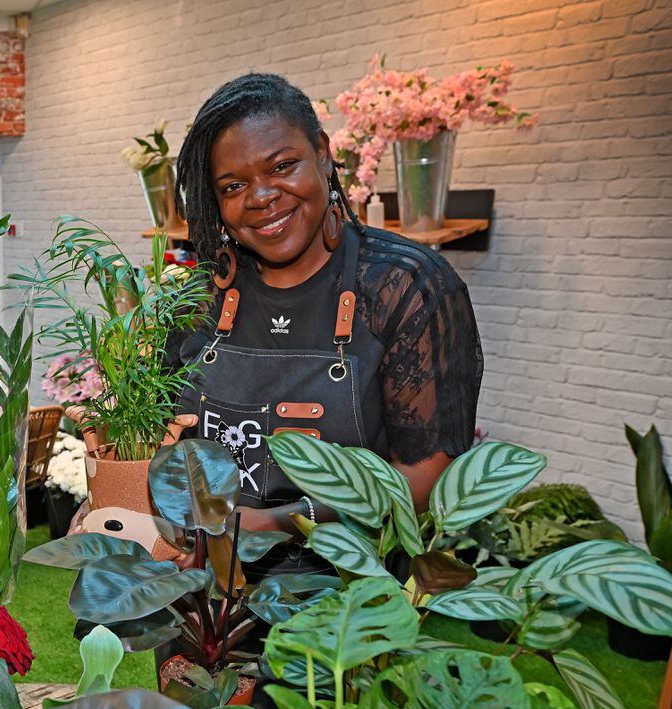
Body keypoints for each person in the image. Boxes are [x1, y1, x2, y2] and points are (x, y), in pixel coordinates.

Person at [171, 72, 482, 555]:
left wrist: (283, 521)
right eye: (233, 185)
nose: (261, 197)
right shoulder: (202, 295)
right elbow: (163, 429)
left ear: (322, 152)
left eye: (282, 166)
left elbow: (425, 474)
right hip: (200, 597)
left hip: (344, 600)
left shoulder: (404, 286)